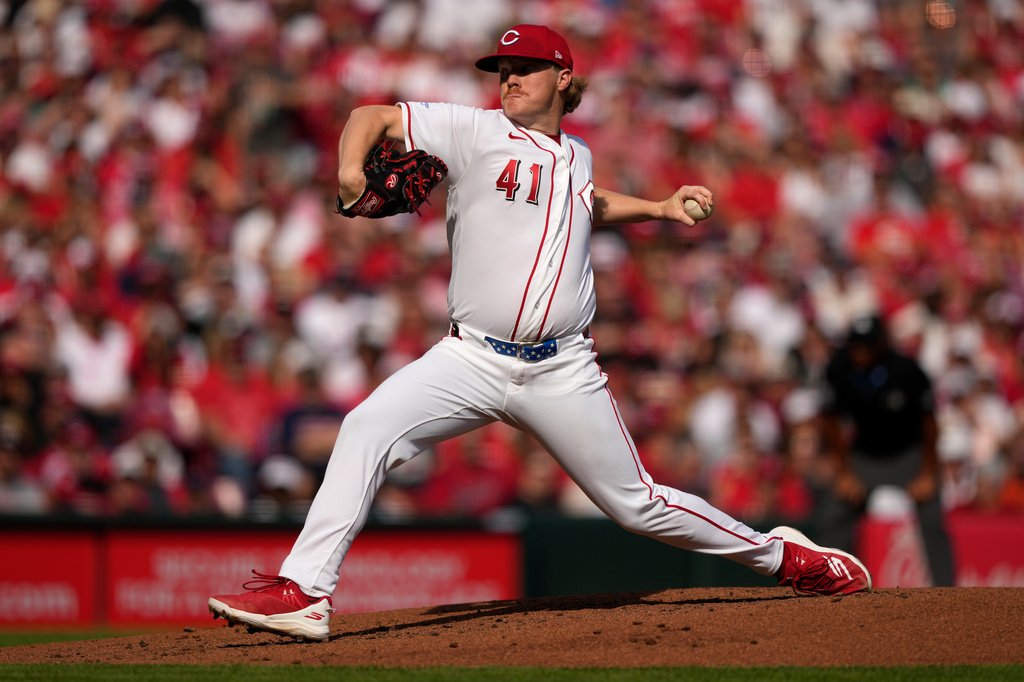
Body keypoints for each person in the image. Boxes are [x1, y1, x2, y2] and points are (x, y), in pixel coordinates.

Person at [209, 24, 871, 642]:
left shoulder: (576, 156)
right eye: (503, 69)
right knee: (365, 428)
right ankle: (305, 591)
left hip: (562, 371)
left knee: (637, 506)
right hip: (470, 358)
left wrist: (661, 208)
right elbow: (370, 117)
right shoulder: (473, 131)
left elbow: (587, 203)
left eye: (524, 68)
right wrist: (353, 169)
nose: (509, 78)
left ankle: (783, 556)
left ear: (562, 77)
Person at [817, 314, 955, 586]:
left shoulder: (906, 370)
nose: (859, 352)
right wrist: (843, 472)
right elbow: (829, 420)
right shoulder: (839, 369)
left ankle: (946, 591)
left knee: (932, 517)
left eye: (866, 346)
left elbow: (929, 424)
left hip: (909, 454)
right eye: (855, 345)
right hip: (864, 456)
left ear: (881, 345)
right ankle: (833, 583)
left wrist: (928, 472)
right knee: (833, 513)